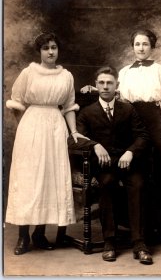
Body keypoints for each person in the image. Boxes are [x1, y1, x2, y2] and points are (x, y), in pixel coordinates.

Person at [80, 29, 161, 244]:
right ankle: (132, 226)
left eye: (145, 44)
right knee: (135, 171)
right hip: (130, 120)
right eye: (137, 44)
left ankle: (157, 228)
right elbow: (113, 95)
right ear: (132, 46)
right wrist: (92, 90)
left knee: (155, 173)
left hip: (153, 120)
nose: (141, 48)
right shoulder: (123, 72)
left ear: (151, 47)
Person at [5, 32, 88, 255]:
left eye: (54, 47)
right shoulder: (28, 73)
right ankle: (23, 236)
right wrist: (26, 128)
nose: (51, 52)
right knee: (29, 180)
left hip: (55, 128)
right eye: (46, 48)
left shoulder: (66, 76)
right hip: (31, 127)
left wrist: (74, 132)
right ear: (39, 51)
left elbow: (69, 106)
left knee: (50, 179)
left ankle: (39, 234)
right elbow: (16, 102)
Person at [68, 66, 153, 264]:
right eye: (102, 83)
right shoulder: (87, 113)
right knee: (107, 184)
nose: (105, 87)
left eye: (110, 83)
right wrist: (95, 144)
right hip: (104, 166)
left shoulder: (128, 109)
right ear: (96, 85)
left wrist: (131, 152)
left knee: (138, 185)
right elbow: (75, 139)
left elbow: (142, 135)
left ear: (117, 85)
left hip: (127, 163)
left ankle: (139, 243)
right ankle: (109, 241)